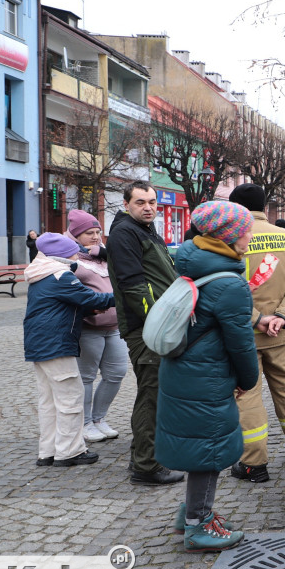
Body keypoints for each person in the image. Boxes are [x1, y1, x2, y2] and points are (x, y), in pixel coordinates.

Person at [156, 200, 259, 552]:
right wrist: (248, 380)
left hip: (184, 370)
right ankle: (197, 526)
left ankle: (192, 511)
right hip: (208, 376)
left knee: (200, 444)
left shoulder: (193, 263)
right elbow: (242, 344)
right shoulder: (230, 284)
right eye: (245, 232)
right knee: (209, 449)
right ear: (228, 237)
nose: (249, 237)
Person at [227, 184, 285, 484]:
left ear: (235, 206)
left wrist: (257, 319)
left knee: (247, 398)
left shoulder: (229, 239)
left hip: (242, 336)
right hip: (281, 336)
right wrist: (282, 316)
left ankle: (253, 465)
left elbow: (224, 289)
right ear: (265, 206)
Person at [106, 182, 184, 486]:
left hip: (155, 325)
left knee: (155, 393)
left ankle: (145, 452)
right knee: (151, 396)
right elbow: (133, 284)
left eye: (152, 202)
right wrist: (158, 323)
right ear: (127, 204)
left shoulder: (144, 230)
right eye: (140, 202)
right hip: (146, 329)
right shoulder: (126, 233)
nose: (148, 207)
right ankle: (146, 466)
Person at [24, 233, 115, 468]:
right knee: (70, 398)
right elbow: (93, 298)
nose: (78, 254)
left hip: (39, 342)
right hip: (56, 343)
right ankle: (69, 452)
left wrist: (84, 311)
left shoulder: (41, 272)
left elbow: (55, 306)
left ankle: (48, 451)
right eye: (74, 251)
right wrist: (123, 295)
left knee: (49, 401)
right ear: (63, 254)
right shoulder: (60, 274)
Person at [65, 210, 127, 444]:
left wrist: (106, 252)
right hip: (89, 328)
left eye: (98, 232)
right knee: (87, 377)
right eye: (88, 233)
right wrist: (88, 308)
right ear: (76, 236)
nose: (95, 237)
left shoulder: (103, 255)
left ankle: (100, 419)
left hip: (115, 326)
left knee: (116, 374)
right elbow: (68, 294)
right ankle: (86, 422)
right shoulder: (72, 260)